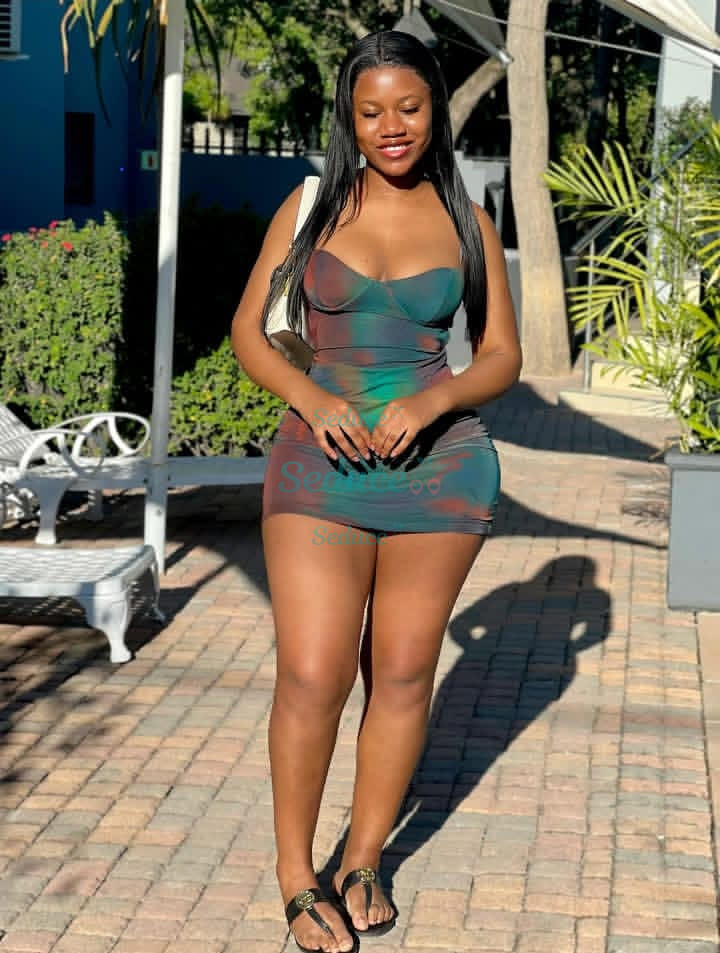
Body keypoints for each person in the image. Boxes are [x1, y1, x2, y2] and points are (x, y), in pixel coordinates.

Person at [231, 29, 522, 953]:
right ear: (348, 120)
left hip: (441, 468)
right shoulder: (312, 204)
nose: (391, 126)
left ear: (435, 109)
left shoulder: (468, 221)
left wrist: (436, 397)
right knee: (313, 672)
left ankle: (362, 860)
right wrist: (313, 398)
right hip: (318, 467)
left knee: (399, 671)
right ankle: (296, 874)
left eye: (408, 107)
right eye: (370, 112)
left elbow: (503, 356)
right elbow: (247, 332)